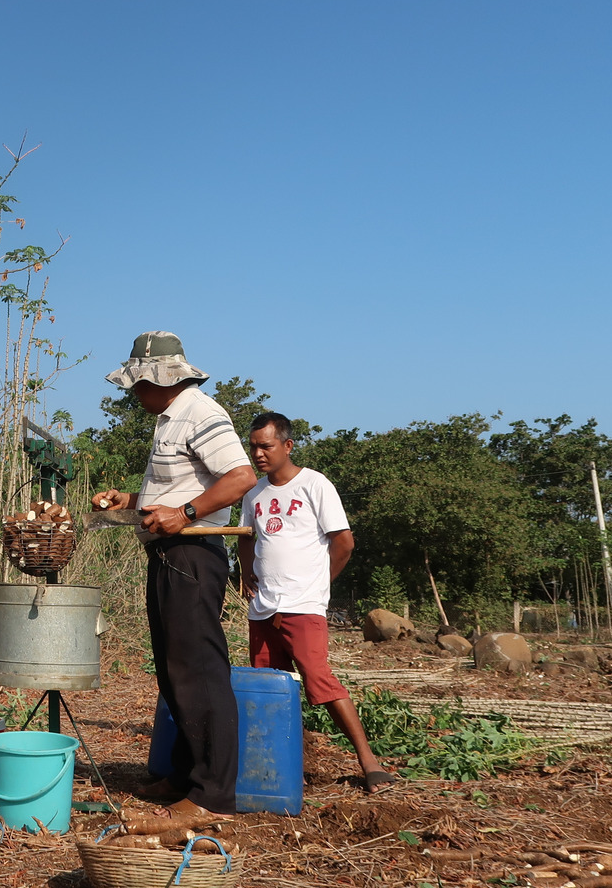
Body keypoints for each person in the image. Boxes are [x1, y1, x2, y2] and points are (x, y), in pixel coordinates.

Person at [92, 331, 256, 827]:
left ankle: (212, 795)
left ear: (156, 378)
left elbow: (240, 477)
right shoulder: (169, 419)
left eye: (135, 384)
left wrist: (185, 513)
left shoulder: (199, 412)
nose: (132, 394)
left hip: (192, 553)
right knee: (173, 669)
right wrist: (133, 506)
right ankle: (187, 775)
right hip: (168, 552)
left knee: (199, 670)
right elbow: (178, 488)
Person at [237, 411, 396, 795]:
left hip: (303, 606)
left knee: (318, 680)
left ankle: (369, 762)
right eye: (254, 446)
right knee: (270, 688)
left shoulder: (314, 484)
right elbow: (245, 535)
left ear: (288, 446)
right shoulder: (253, 493)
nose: (258, 453)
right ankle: (277, 769)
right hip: (264, 609)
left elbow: (344, 542)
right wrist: (245, 572)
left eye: (266, 446)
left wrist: (319, 584)